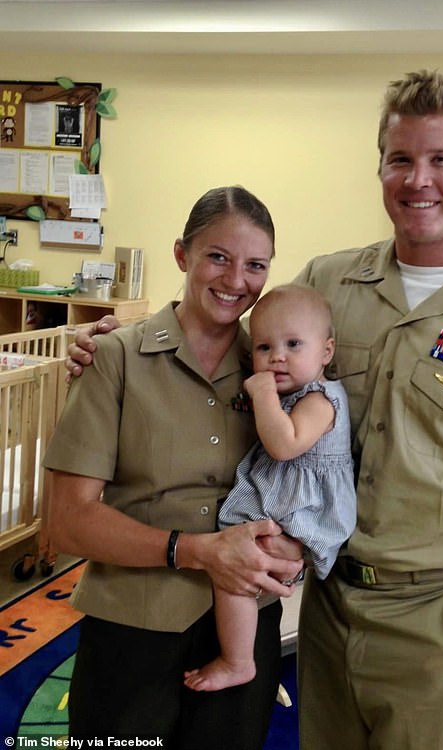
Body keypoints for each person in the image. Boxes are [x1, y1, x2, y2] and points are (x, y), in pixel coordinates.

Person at [67, 69, 443, 750]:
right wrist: (121, 345)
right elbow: (237, 328)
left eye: (441, 158)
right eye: (401, 159)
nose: (418, 179)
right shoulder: (331, 282)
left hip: (440, 613)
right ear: (381, 168)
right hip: (326, 604)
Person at [45, 186, 303, 749]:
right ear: (182, 254)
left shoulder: (275, 373)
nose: (237, 280)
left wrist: (299, 551)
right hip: (130, 625)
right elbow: (66, 522)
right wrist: (197, 550)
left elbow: (310, 478)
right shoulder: (114, 357)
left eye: (255, 265)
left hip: (242, 624)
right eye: (218, 257)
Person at [184, 283, 356, 692]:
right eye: (264, 348)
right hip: (285, 499)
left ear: (326, 352)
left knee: (234, 574)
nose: (277, 356)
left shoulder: (320, 398)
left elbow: (283, 446)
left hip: (306, 508)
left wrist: (261, 392)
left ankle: (238, 660)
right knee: (236, 566)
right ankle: (239, 653)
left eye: (294, 344)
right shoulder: (291, 392)